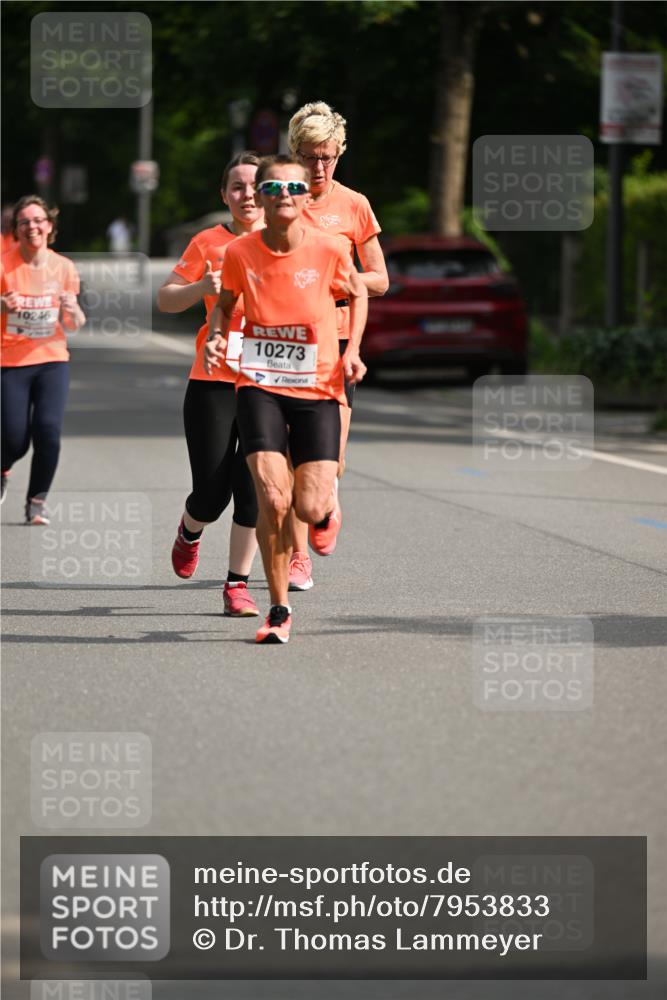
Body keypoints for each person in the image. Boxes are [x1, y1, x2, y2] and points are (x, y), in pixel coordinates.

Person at [205, 154, 368, 644]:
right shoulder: (240, 252)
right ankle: (278, 609)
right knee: (273, 499)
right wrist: (217, 336)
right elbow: (225, 304)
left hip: (318, 387)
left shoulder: (328, 248)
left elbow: (358, 292)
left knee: (309, 503)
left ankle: (324, 510)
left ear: (305, 198)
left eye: (295, 188)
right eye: (273, 188)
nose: (284, 196)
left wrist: (353, 351)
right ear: (262, 195)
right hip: (259, 384)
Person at [285, 100, 388, 592]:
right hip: (286, 338)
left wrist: (335, 282)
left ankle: (329, 493)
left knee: (330, 457)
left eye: (327, 156)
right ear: (294, 154)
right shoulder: (280, 201)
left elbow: (380, 279)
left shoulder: (354, 205)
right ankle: (297, 558)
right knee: (290, 457)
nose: (318, 167)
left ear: (339, 153)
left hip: (338, 339)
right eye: (308, 156)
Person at [156, 152, 263, 617]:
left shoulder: (288, 241)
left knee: (253, 487)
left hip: (267, 382)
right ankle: (190, 529)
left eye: (256, 185)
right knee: (212, 493)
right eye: (237, 187)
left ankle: (237, 585)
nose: (247, 195)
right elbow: (165, 299)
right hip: (213, 380)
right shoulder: (208, 242)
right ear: (224, 195)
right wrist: (202, 287)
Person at [1, 195, 85, 521]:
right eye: (24, 222)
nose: (32, 227)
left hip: (52, 359)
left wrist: (73, 310)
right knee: (13, 439)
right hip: (9, 361)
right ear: (16, 229)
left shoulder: (64, 267)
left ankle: (36, 501)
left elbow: (74, 323)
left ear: (50, 226)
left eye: (38, 220)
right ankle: (3, 467)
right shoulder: (4, 265)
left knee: (48, 432)